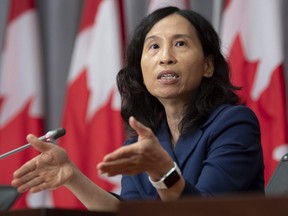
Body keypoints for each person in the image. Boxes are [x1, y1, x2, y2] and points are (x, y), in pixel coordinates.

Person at [11, 6, 264, 212]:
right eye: (154, 46)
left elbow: (204, 210)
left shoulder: (234, 124)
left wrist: (163, 170)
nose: (166, 57)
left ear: (208, 66)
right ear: (141, 72)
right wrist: (73, 177)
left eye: (180, 44)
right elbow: (130, 211)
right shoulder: (142, 144)